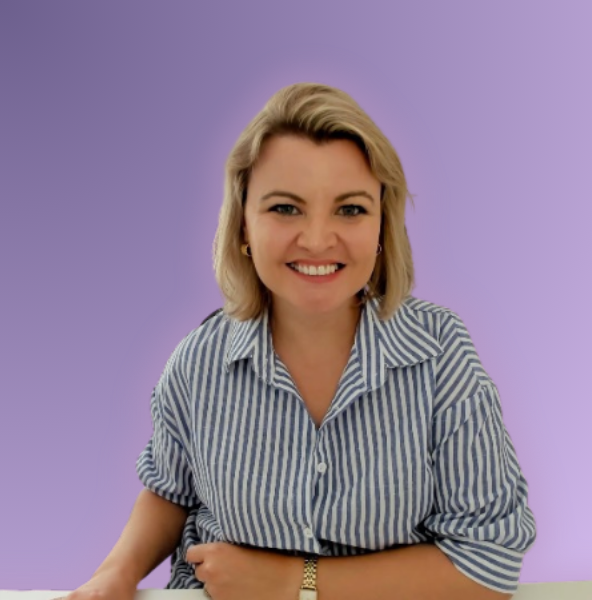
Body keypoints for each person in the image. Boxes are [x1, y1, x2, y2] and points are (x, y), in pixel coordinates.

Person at [57, 82, 536, 600]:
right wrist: (117, 572)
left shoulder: (440, 354)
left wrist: (294, 580)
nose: (317, 239)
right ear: (244, 224)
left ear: (382, 226)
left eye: (350, 209)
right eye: (286, 208)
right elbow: (169, 493)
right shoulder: (197, 362)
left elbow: (487, 562)